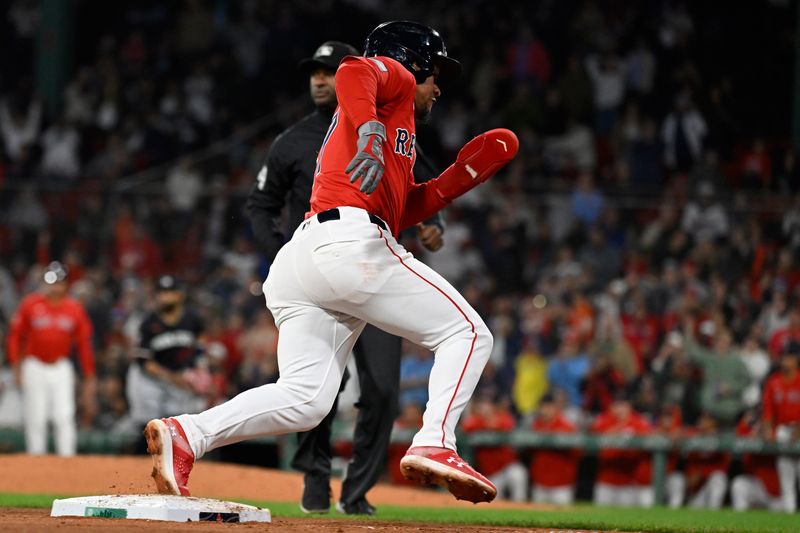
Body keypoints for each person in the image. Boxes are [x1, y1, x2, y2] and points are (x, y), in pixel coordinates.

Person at [144, 20, 518, 504]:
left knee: (305, 399)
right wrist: (369, 134)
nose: (438, 87)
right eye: (435, 74)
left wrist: (454, 182)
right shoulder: (395, 82)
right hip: (348, 245)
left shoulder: (394, 130)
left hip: (304, 261)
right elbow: (352, 71)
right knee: (468, 333)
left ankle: (189, 434)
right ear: (415, 64)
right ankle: (436, 441)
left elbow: (402, 210)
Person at [246, 40, 445, 515]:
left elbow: (420, 185)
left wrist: (432, 224)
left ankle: (357, 492)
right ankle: (316, 474)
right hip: (316, 270)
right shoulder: (292, 141)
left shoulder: (396, 123)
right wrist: (282, 257)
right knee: (318, 387)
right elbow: (260, 206)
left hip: (373, 268)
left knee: (381, 388)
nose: (321, 78)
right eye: (315, 71)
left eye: (330, 70)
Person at [6, 262, 96, 456]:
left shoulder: (74, 309)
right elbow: (14, 337)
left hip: (60, 366)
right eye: (51, 282)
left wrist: (89, 376)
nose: (54, 286)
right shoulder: (30, 304)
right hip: (34, 365)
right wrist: (16, 366)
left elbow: (84, 345)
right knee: (36, 417)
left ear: (66, 285)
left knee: (64, 416)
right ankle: (37, 461)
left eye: (59, 282)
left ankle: (67, 461)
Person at [126, 275, 208, 432]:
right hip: (149, 379)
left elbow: (200, 346)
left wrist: (201, 369)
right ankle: (138, 454)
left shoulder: (193, 319)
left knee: (178, 423)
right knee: (148, 425)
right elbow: (144, 362)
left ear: (180, 295)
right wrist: (172, 378)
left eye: (169, 292)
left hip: (177, 375)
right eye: (161, 292)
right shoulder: (148, 323)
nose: (164, 297)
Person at [761, 344, 800, 512]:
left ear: (796, 359)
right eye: (783, 357)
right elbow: (768, 410)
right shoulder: (773, 381)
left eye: (788, 357)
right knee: (786, 478)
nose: (785, 360)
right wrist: (768, 429)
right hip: (783, 431)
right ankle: (790, 519)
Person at [529, 393, 580, 505]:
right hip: (540, 482)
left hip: (561, 484)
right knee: (537, 518)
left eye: (549, 407)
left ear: (556, 408)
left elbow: (577, 453)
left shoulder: (567, 426)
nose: (545, 410)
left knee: (563, 519)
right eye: (543, 407)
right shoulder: (535, 426)